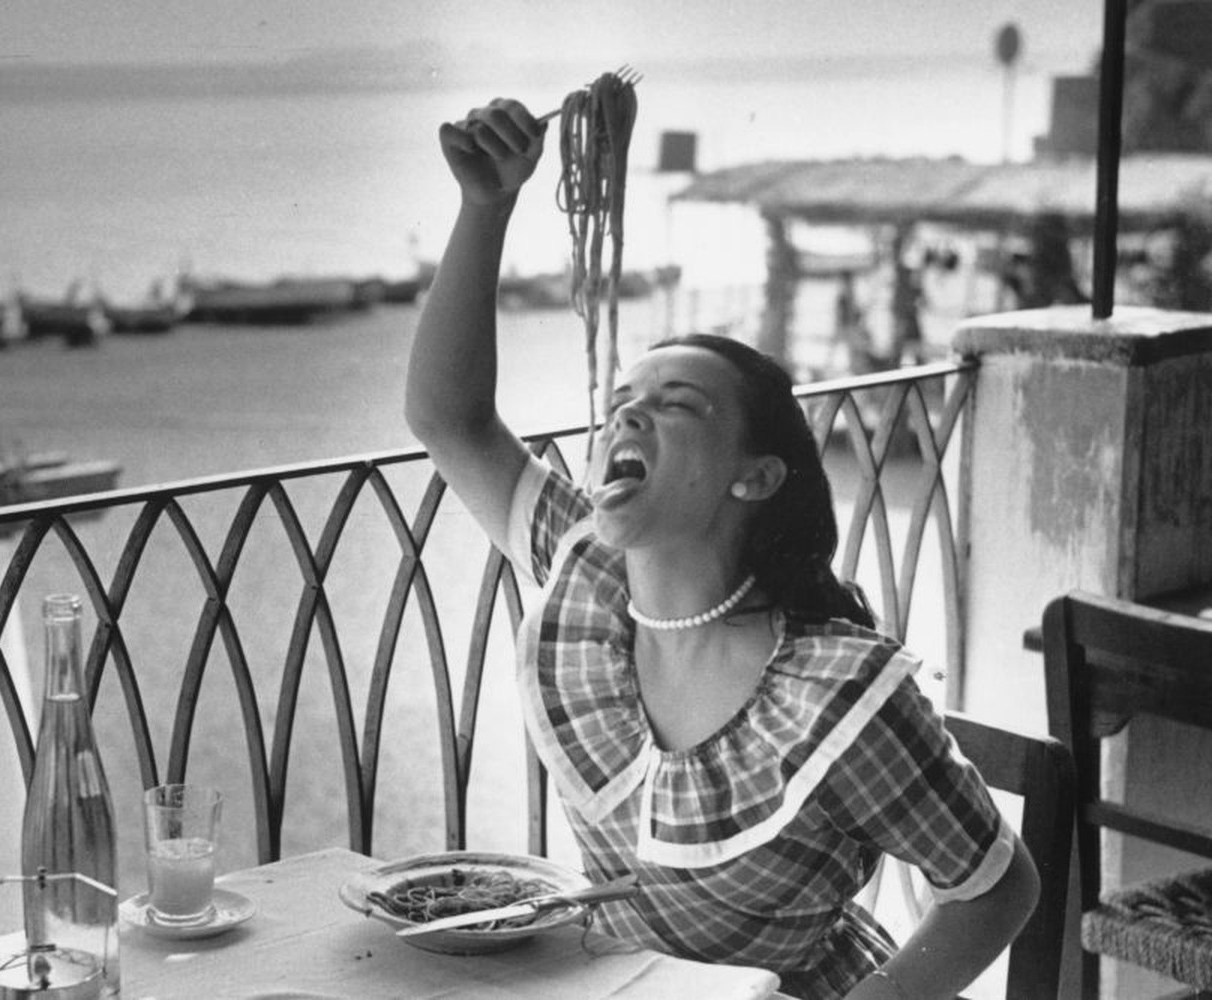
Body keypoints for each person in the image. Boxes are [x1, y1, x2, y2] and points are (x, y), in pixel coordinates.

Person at [404, 97, 1039, 1000]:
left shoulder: (835, 698)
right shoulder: (589, 579)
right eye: (622, 403)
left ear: (756, 477)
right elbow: (449, 419)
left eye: (677, 405)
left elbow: (998, 889)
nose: (628, 416)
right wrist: (485, 205)